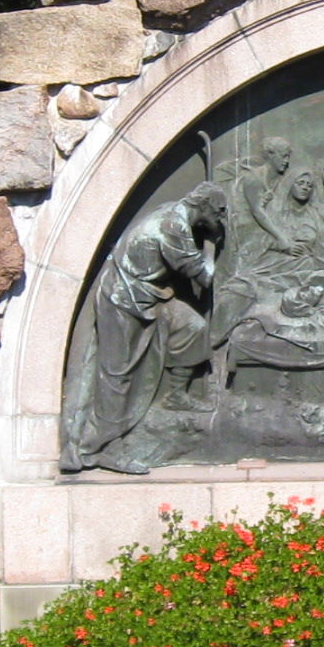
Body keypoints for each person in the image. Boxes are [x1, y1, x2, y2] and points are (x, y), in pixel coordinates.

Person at [72, 183, 228, 469]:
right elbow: (204, 276)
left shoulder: (174, 210)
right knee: (117, 375)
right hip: (123, 300)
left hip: (153, 296)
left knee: (194, 325)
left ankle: (176, 394)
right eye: (218, 212)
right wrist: (210, 244)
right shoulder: (174, 225)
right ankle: (100, 447)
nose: (221, 218)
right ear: (203, 206)